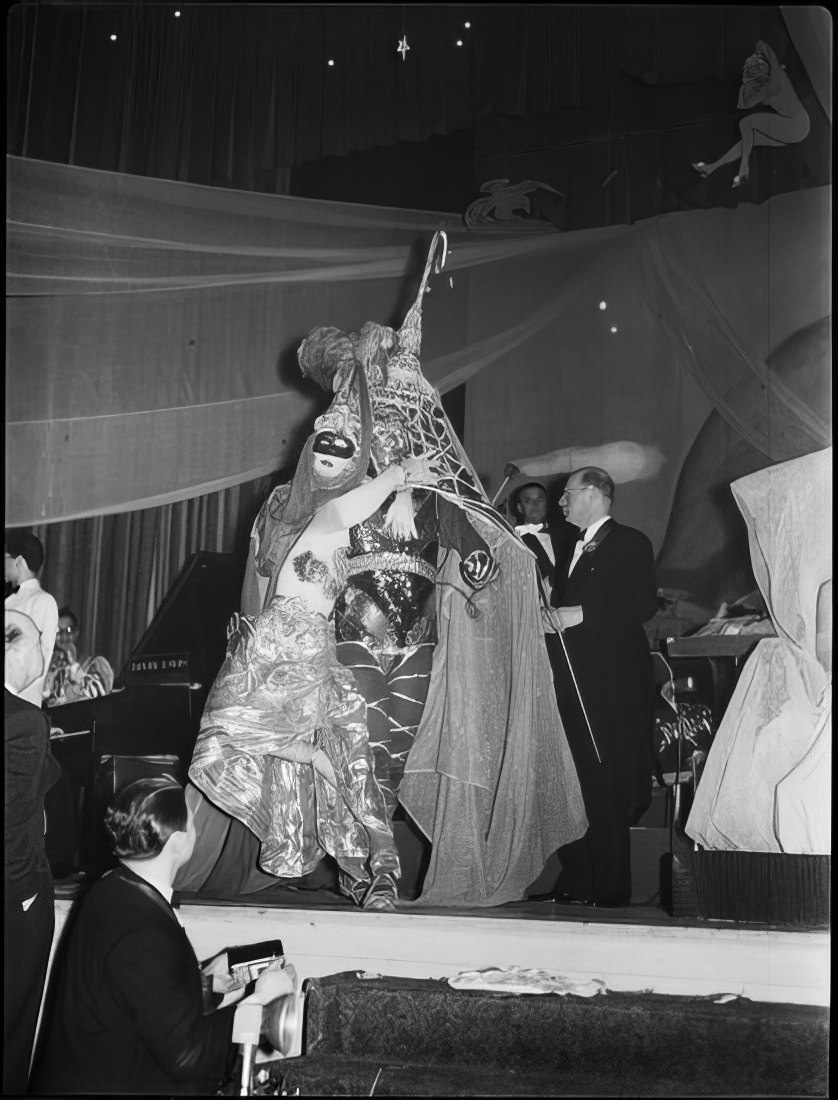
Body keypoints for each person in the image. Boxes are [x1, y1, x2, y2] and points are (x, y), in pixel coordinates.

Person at [188, 438, 434, 911]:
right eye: (324, 447)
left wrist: (404, 490)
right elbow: (345, 510)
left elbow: (394, 540)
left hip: (320, 649)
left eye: (345, 452)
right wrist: (397, 474)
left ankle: (378, 867)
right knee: (232, 729)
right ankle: (318, 766)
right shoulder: (311, 513)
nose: (334, 453)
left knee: (355, 756)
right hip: (279, 645)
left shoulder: (351, 519)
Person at [32, 778, 239, 1096]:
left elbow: (140, 1005)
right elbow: (188, 1058)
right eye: (194, 820)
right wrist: (260, 1010)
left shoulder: (112, 887)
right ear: (178, 842)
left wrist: (206, 984)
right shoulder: (142, 926)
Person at [544, 466, 657, 907]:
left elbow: (641, 604)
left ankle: (609, 888)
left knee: (606, 781)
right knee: (574, 779)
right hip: (571, 680)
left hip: (611, 684)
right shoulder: (569, 546)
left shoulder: (630, 542)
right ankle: (578, 881)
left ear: (594, 493)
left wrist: (578, 613)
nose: (561, 502)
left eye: (568, 493)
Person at [4, 609, 62, 1095]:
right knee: (14, 1030)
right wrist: (23, 894)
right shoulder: (24, 721)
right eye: (42, 638)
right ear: (14, 645)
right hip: (14, 897)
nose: (49, 648)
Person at [692, 40, 810, 188]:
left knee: (746, 124)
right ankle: (711, 168)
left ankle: (743, 167)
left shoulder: (776, 76)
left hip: (796, 124)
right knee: (748, 140)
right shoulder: (767, 82)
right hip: (797, 128)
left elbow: (768, 56)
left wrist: (763, 52)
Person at [4, 531, 58, 707]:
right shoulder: (10, 599)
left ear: (20, 561)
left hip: (20, 708)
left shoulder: (43, 601)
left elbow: (36, 662)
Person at [43, 606, 114, 706]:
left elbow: (95, 696)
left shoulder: (96, 664)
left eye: (68, 630)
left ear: (76, 633)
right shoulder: (50, 666)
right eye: (58, 631)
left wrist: (72, 663)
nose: (63, 636)